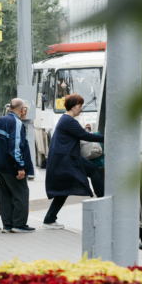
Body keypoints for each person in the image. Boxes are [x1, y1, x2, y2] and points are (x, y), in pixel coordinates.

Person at [43, 94, 105, 229]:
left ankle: (49, 219)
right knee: (94, 170)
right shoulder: (68, 121)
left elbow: (78, 133)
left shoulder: (65, 120)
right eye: (79, 106)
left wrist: (86, 129)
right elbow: (84, 136)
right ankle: (103, 200)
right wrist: (106, 138)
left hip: (64, 158)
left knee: (64, 189)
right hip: (67, 159)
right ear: (72, 106)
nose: (81, 109)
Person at [0, 98, 35, 233]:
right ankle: (19, 225)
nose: (25, 113)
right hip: (12, 166)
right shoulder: (15, 122)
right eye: (26, 110)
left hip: (0, 165)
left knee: (6, 195)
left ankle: (7, 225)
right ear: (22, 109)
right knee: (21, 194)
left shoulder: (0, 121)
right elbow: (15, 147)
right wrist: (20, 167)